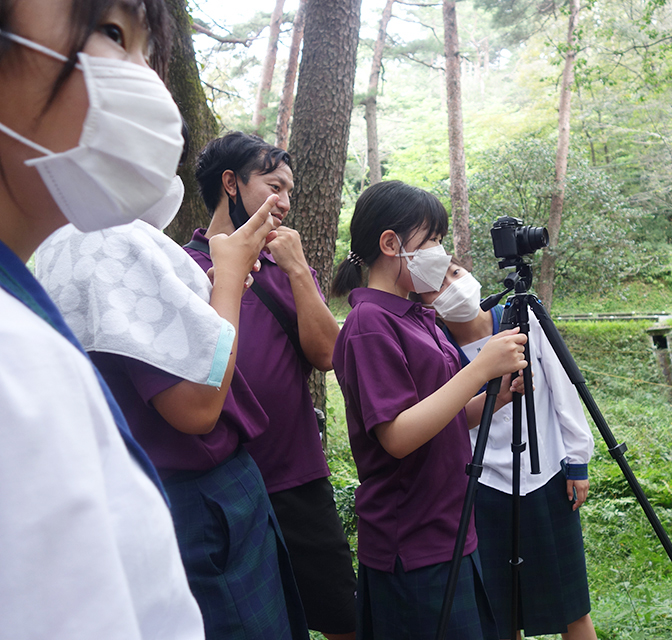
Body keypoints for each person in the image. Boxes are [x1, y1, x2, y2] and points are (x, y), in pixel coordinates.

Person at [0, 1, 204, 638]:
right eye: (112, 33)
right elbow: (199, 404)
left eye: (148, 55)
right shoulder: (17, 367)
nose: (148, 85)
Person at [35, 183, 311, 640]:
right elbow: (198, 406)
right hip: (201, 501)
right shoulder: (106, 239)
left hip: (185, 494)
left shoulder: (76, 237)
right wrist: (228, 276)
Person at [329, 180, 529, 640]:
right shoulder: (369, 325)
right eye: (433, 240)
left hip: (451, 527)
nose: (441, 252)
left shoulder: (417, 316)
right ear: (390, 243)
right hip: (412, 543)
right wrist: (478, 371)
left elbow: (441, 418)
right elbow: (397, 436)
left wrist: (493, 397)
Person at [187, 131, 356, 640]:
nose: (284, 202)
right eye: (274, 186)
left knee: (345, 620)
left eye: (290, 192)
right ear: (231, 183)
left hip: (297, 477)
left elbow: (327, 354)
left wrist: (299, 269)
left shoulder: (287, 268)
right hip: (223, 488)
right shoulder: (183, 269)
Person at [419, 258, 598, 640]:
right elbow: (447, 421)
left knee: (572, 607)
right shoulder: (434, 346)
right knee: (499, 614)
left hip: (545, 473)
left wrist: (578, 459)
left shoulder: (522, 320)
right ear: (424, 300)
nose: (454, 284)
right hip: (482, 489)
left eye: (455, 271)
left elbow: (564, 388)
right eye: (439, 284)